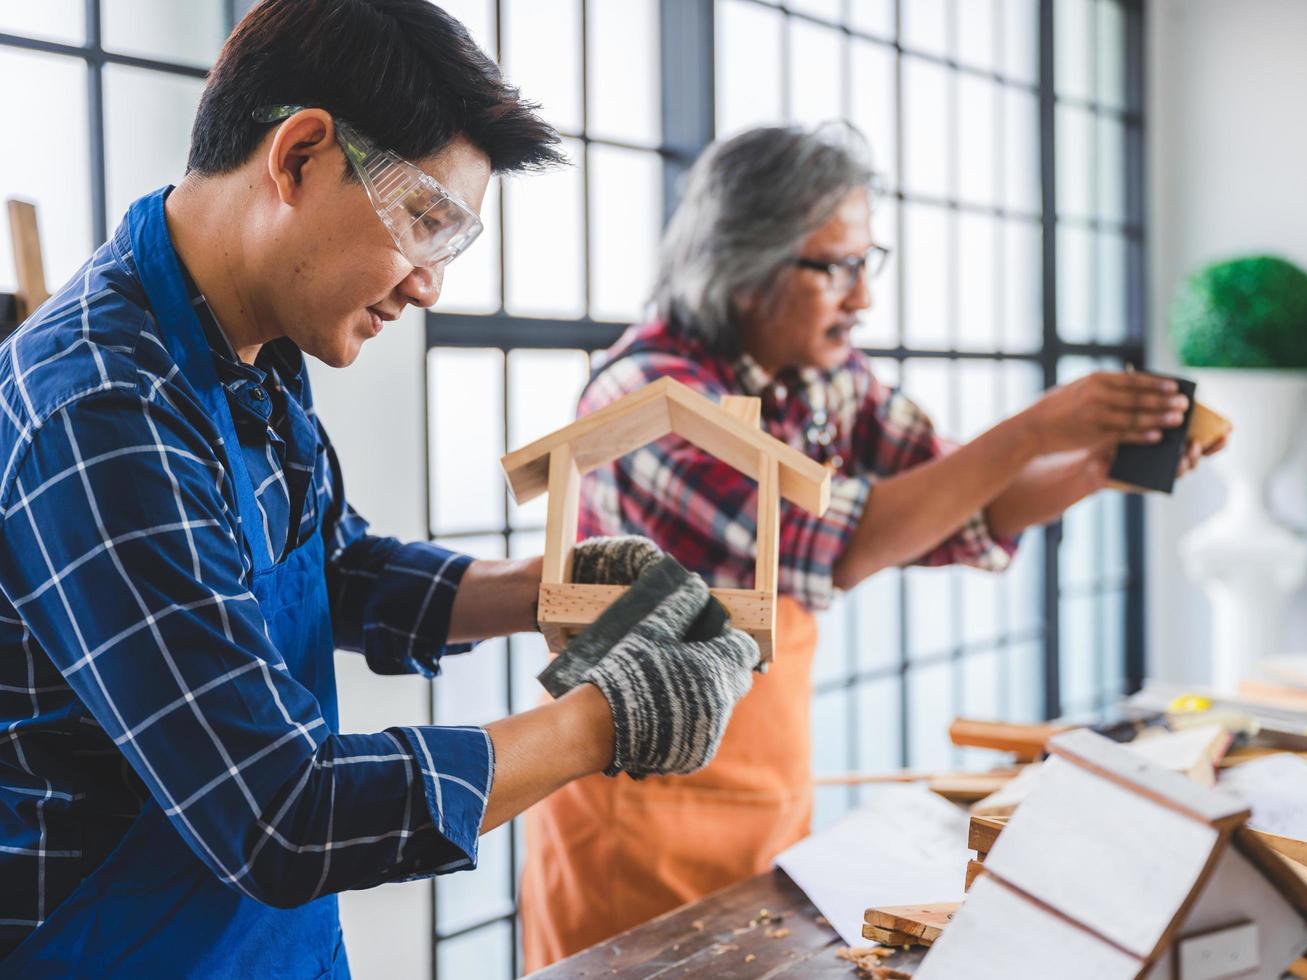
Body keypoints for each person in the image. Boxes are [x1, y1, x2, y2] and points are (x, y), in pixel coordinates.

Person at [0, 2, 758, 975]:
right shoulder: (97, 409)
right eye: (426, 223)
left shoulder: (250, 347)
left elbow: (334, 564)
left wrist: (544, 588)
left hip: (278, 947)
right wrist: (605, 717)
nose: (430, 285)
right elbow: (279, 812)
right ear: (301, 156)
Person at [519, 123, 1228, 967]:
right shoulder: (644, 397)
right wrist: (1034, 426)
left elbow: (959, 492)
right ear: (746, 266)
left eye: (867, 262)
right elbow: (834, 544)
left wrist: (1097, 462)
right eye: (836, 267)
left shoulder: (818, 376)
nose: (862, 298)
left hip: (760, 787)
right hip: (628, 802)